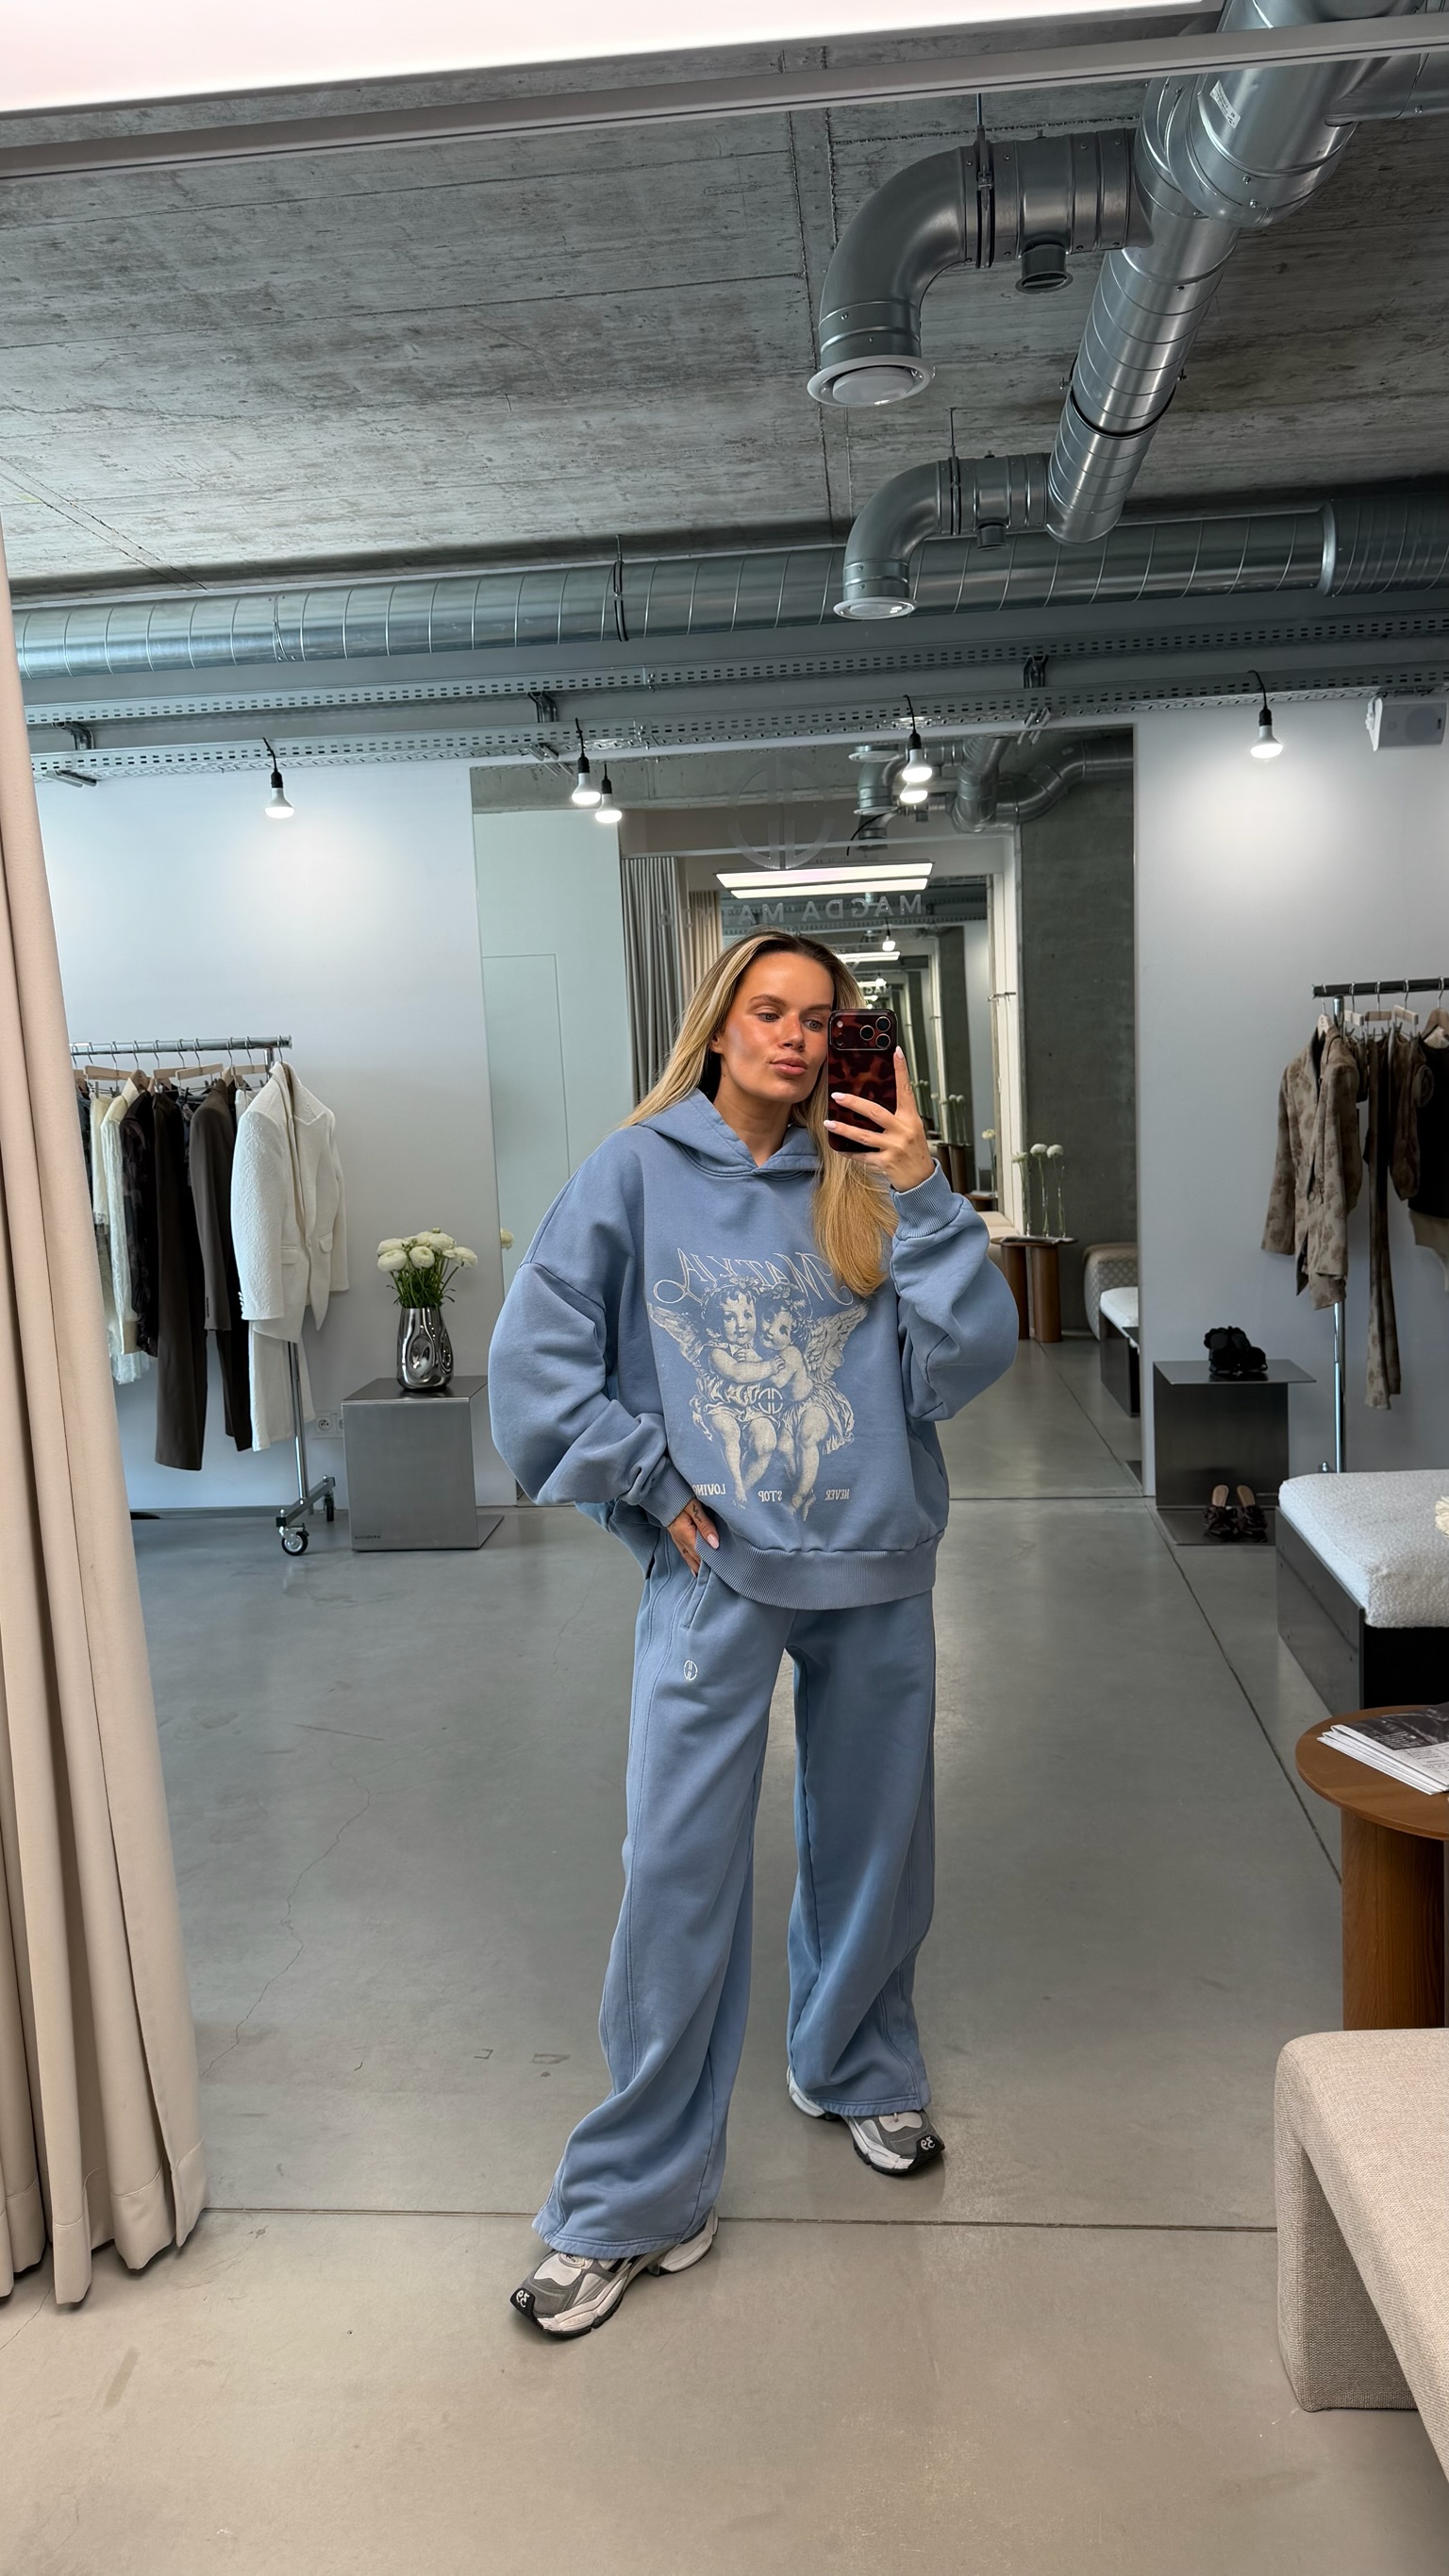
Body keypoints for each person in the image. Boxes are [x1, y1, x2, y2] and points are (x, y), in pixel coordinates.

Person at [488, 932, 1018, 2337]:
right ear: (718, 1025)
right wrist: (649, 1479)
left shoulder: (874, 1179)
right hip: (715, 1569)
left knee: (878, 1842)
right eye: (769, 1011)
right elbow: (534, 1360)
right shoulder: (634, 1170)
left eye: (821, 1019)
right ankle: (635, 2193)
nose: (794, 1036)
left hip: (876, 1562)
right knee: (675, 1868)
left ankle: (854, 2063)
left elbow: (965, 1364)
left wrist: (925, 1189)